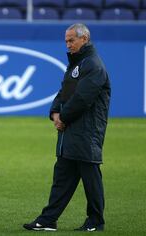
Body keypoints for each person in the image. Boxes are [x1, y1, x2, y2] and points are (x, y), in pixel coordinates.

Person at [23, 23, 111, 232]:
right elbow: (64, 92)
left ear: (85, 39)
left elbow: (83, 98)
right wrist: (54, 112)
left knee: (91, 178)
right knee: (62, 178)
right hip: (71, 131)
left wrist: (63, 116)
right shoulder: (77, 64)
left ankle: (96, 221)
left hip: (86, 132)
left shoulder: (93, 65)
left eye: (72, 40)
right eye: (66, 41)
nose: (68, 44)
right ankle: (48, 220)